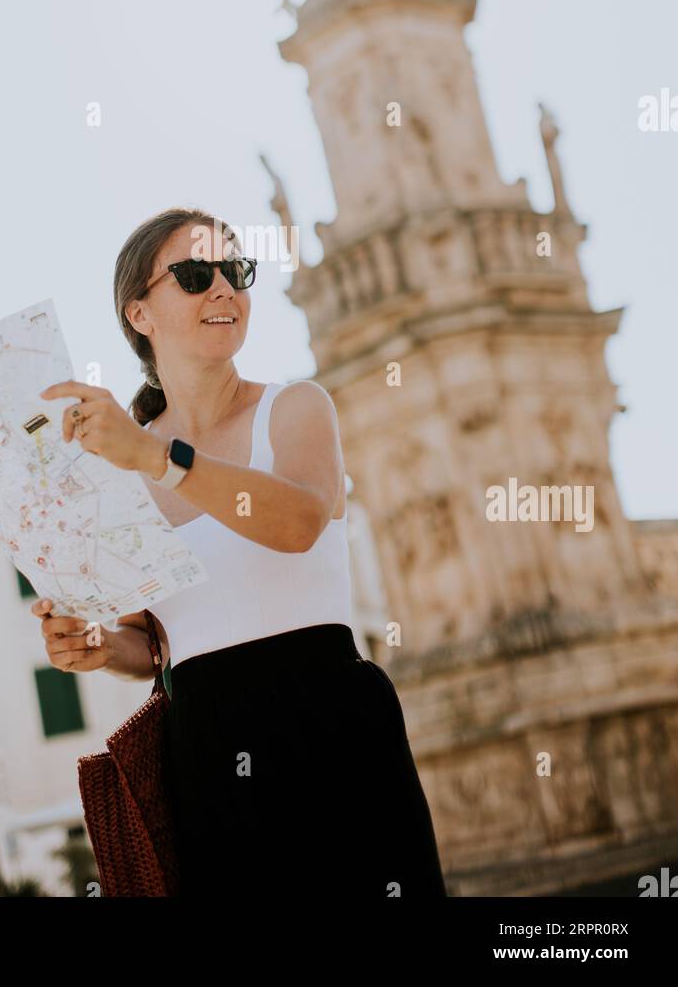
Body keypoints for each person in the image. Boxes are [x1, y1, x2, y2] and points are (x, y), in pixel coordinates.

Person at [32, 206, 448, 898]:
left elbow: (297, 523)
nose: (224, 289)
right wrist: (99, 645)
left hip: (332, 723)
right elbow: (155, 646)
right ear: (140, 314)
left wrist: (158, 457)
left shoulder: (295, 408)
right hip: (205, 751)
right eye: (196, 276)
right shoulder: (121, 468)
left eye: (237, 271)